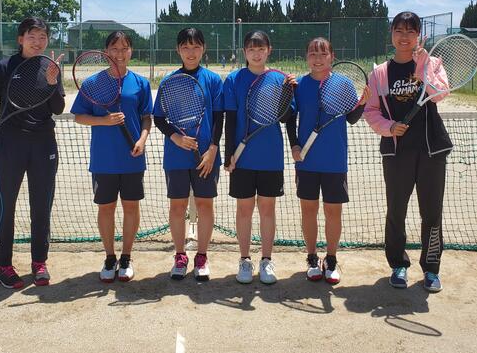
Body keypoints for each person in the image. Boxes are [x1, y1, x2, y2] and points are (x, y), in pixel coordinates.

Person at [0, 17, 66, 289]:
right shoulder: (4, 67)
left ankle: (39, 262)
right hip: (10, 146)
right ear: (21, 39)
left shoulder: (51, 67)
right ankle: (3, 265)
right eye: (32, 36)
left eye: (43, 37)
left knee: (42, 205)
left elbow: (58, 109)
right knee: (4, 204)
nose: (38, 42)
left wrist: (52, 82)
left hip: (44, 145)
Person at [363, 11, 451, 293]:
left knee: (432, 212)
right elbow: (371, 111)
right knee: (396, 211)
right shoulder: (379, 73)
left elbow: (439, 94)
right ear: (391, 34)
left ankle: (431, 268)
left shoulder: (433, 63)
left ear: (418, 36)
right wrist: (389, 127)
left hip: (432, 149)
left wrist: (423, 67)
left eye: (410, 31)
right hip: (397, 152)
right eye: (399, 30)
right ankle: (398, 265)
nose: (404, 36)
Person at [71, 31, 153, 283]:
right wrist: (103, 121)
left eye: (124, 48)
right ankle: (109, 257)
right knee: (106, 208)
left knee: (131, 207)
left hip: (132, 158)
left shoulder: (140, 83)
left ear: (131, 51)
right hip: (103, 159)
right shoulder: (92, 83)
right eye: (114, 49)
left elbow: (146, 118)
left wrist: (142, 140)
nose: (119, 53)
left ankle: (126, 257)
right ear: (106, 52)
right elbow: (79, 116)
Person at [286, 37, 368, 285]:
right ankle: (312, 258)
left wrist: (362, 103)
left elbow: (351, 118)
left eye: (323, 54)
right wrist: (294, 144)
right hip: (306, 160)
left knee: (333, 211)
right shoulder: (298, 85)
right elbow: (289, 118)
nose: (318, 58)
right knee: (308, 210)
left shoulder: (343, 84)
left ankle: (331, 259)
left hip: (334, 160)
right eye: (313, 53)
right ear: (306, 57)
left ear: (332, 57)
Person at [224, 30, 294, 285]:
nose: (256, 53)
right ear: (245, 52)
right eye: (251, 49)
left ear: (268, 50)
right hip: (242, 159)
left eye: (261, 48)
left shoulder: (280, 79)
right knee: (244, 210)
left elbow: (286, 118)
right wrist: (228, 154)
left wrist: (287, 92)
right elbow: (230, 119)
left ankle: (266, 260)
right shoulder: (234, 79)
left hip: (270, 157)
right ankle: (244, 260)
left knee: (267, 209)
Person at [153, 27, 223, 281]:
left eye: (195, 47)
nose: (191, 52)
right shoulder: (168, 81)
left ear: (203, 48)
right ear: (178, 50)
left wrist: (212, 149)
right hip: (176, 156)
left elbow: (219, 117)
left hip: (206, 158)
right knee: (177, 206)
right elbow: (159, 118)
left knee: (205, 205)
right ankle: (180, 256)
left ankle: (202, 256)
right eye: (185, 47)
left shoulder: (213, 80)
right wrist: (176, 137)